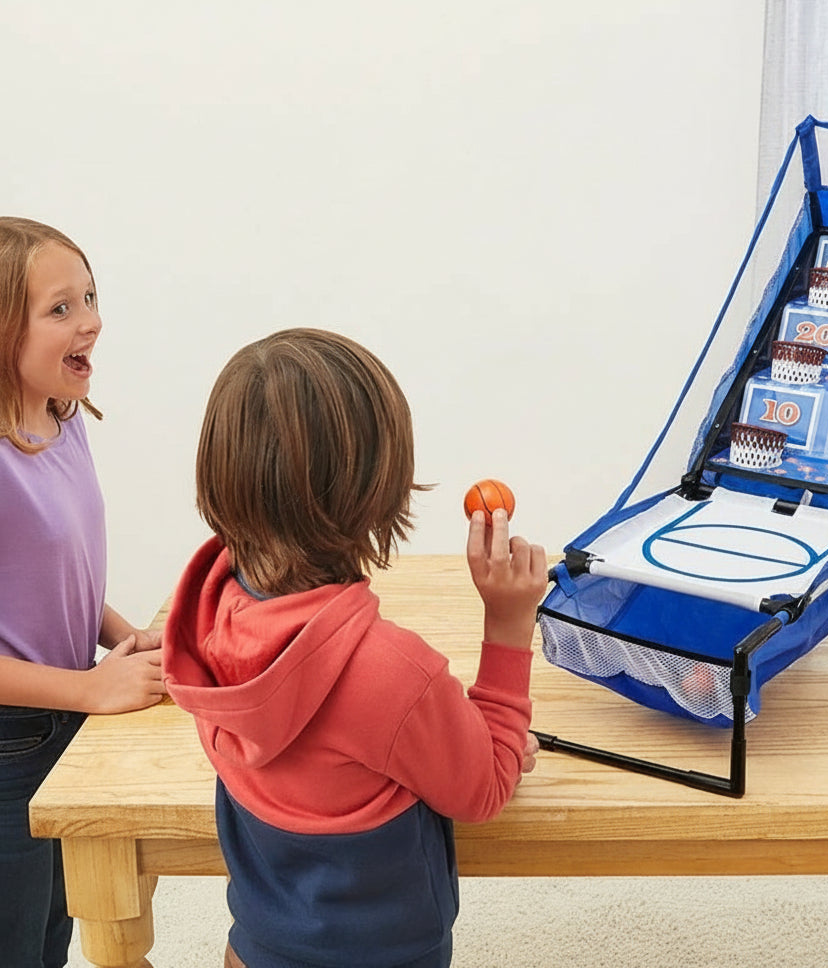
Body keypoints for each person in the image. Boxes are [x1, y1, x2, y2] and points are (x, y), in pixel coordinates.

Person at [162, 327, 548, 968]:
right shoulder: (394, 675)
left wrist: (467, 736)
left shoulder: (207, 614)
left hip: (260, 936)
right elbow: (483, 791)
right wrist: (508, 626)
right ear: (375, 489)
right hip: (387, 950)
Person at [0, 216, 166, 968]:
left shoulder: (63, 419)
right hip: (12, 740)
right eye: (60, 308)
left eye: (90, 297)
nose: (90, 321)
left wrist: (124, 637)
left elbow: (49, 577)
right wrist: (91, 689)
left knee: (55, 933)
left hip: (68, 713)